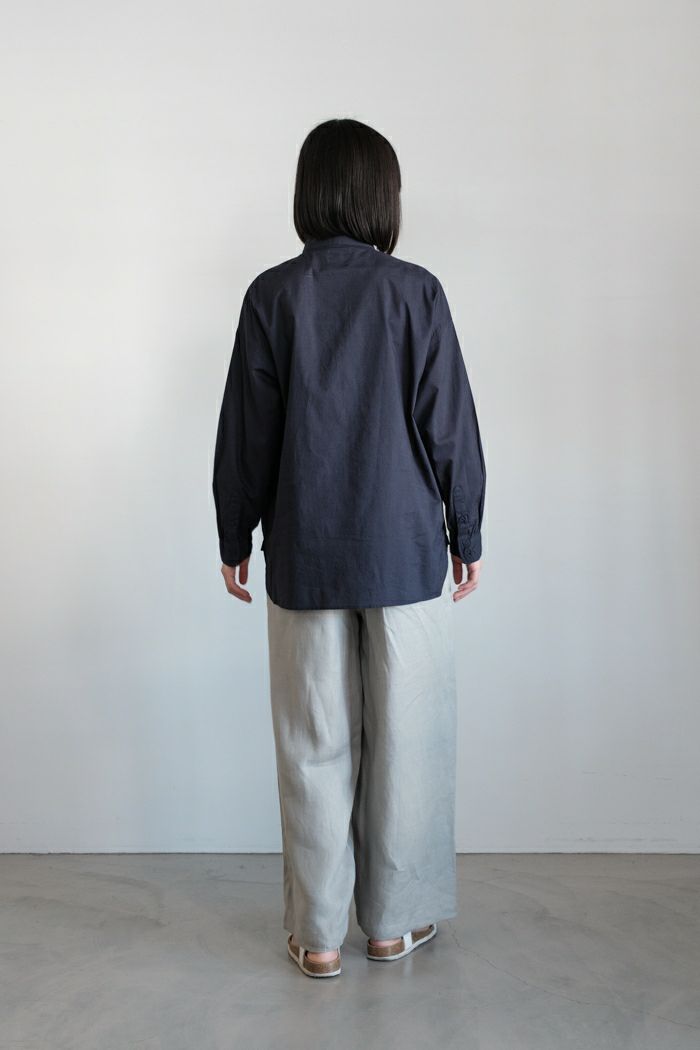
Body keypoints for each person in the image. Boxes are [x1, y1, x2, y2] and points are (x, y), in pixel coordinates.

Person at [212, 117, 486, 979]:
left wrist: (234, 532)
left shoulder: (271, 296)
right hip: (404, 553)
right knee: (410, 742)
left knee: (313, 742)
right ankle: (391, 928)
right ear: (380, 196)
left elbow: (246, 432)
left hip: (305, 551)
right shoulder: (416, 292)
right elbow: (450, 424)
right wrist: (467, 529)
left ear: (310, 192)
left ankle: (320, 935)